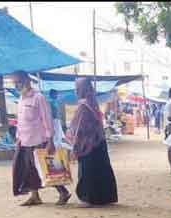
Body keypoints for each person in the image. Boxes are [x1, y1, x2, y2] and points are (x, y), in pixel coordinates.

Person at [10, 71, 71, 206]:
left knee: (46, 169)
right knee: (28, 169)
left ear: (26, 81)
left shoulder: (39, 98)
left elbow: (47, 120)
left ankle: (63, 192)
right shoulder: (21, 99)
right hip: (24, 140)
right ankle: (35, 196)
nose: (16, 86)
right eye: (14, 83)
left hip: (39, 140)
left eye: (18, 82)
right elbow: (20, 120)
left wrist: (50, 141)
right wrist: (18, 137)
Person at [66, 77, 118, 206]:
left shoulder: (83, 105)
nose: (76, 91)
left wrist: (75, 144)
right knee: (101, 169)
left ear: (82, 89)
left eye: (77, 89)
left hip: (87, 143)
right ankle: (104, 197)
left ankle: (88, 198)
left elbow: (79, 127)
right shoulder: (92, 102)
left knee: (88, 170)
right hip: (98, 141)